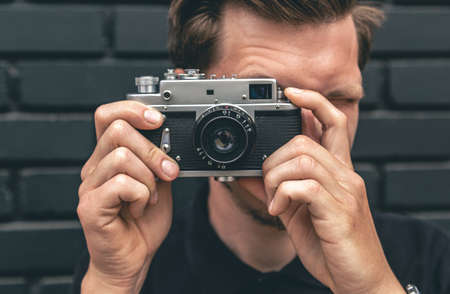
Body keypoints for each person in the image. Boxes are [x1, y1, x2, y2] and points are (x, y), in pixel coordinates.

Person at [73, 0, 450, 293]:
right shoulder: (129, 262)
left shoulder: (428, 259)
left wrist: (371, 288)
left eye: (338, 100)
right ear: (193, 100)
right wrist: (113, 284)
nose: (307, 133)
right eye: (268, 101)